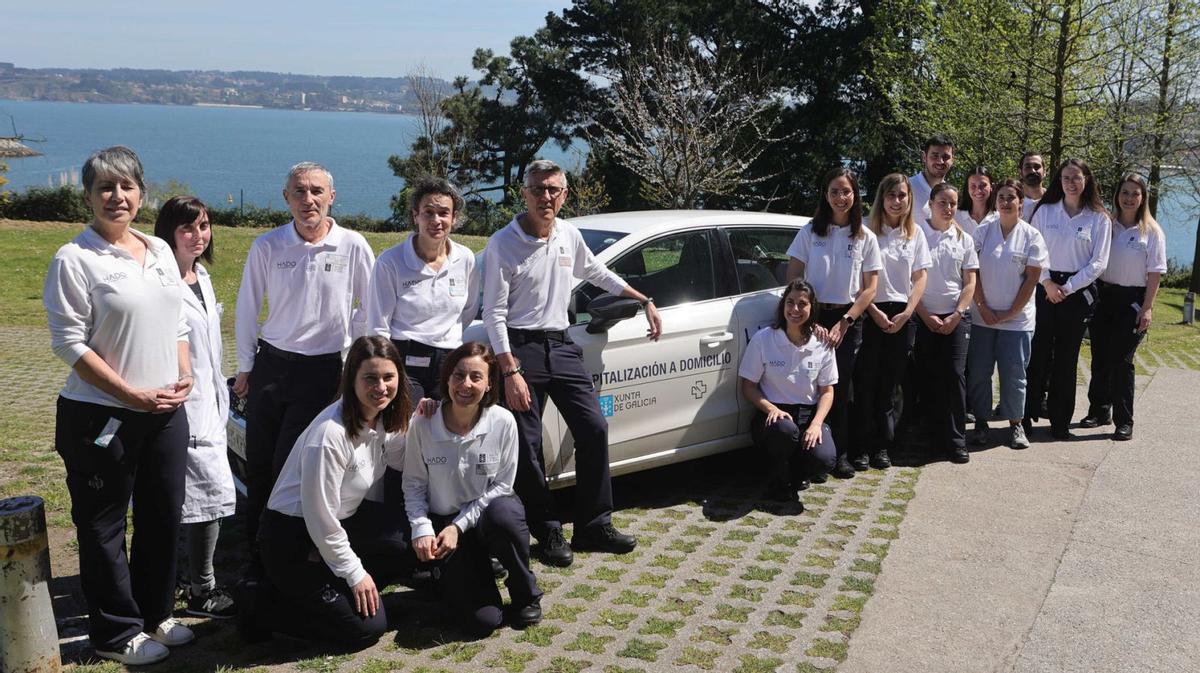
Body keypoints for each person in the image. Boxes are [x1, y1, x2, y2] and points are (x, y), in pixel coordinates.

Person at [44, 146, 195, 665]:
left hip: (165, 413)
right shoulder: (75, 258)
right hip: (100, 415)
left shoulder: (157, 249)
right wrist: (128, 394)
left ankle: (155, 615)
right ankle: (114, 633)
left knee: (162, 517)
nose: (117, 196)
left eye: (126, 186)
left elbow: (178, 324)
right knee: (104, 526)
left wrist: (186, 371)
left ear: (141, 193)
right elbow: (70, 344)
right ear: (87, 196)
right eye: (105, 187)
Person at [482, 159, 661, 568]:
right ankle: (546, 529)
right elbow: (493, 313)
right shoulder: (502, 244)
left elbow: (596, 272)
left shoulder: (568, 233)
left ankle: (594, 525)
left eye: (554, 190)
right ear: (524, 193)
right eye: (538, 189)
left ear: (564, 195)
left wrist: (643, 299)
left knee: (594, 427)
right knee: (527, 445)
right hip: (521, 349)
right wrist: (509, 370)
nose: (546, 197)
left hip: (562, 347)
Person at [233, 162, 375, 570]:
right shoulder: (268, 246)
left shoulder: (353, 246)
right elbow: (246, 308)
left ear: (331, 197)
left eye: (316, 191)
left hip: (324, 372)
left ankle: (295, 553)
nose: (308, 199)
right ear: (286, 198)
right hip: (272, 367)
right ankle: (257, 556)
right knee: (259, 465)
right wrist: (246, 366)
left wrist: (352, 363)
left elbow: (368, 309)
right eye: (299, 192)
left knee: (295, 469)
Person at [244, 336, 412, 650]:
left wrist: (423, 422)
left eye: (389, 377)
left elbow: (399, 461)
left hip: (337, 525)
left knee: (403, 539)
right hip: (292, 538)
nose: (381, 386)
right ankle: (264, 608)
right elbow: (320, 518)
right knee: (366, 629)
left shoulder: (380, 418)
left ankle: (334, 587)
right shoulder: (330, 435)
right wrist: (354, 572)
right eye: (370, 378)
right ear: (351, 380)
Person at [403, 342, 543, 636]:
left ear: (490, 382)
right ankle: (462, 576)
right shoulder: (424, 422)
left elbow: (504, 484)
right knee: (484, 621)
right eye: (458, 375)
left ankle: (525, 593)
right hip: (446, 528)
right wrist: (422, 528)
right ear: (447, 378)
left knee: (506, 514)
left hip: (485, 516)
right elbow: (413, 484)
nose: (465, 384)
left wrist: (460, 524)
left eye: (476, 377)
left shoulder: (503, 421)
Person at [153, 196, 237, 619]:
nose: (198, 236)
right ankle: (199, 588)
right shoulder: (160, 282)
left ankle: (187, 581)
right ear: (168, 232)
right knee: (205, 495)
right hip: (181, 403)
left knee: (207, 497)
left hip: (211, 400)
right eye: (188, 228)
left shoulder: (200, 277)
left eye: (203, 226)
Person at [786, 167, 881, 478]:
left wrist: (845, 322)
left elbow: (870, 288)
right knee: (806, 386)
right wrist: (811, 320)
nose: (841, 198)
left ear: (855, 196)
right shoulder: (810, 232)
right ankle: (806, 456)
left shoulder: (865, 236)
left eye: (846, 191)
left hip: (847, 321)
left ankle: (837, 455)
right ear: (825, 196)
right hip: (811, 318)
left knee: (839, 390)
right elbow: (794, 277)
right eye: (834, 192)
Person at [366, 176, 479, 402]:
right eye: (428, 212)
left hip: (449, 361)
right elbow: (378, 324)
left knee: (445, 429)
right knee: (411, 425)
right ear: (416, 215)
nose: (436, 220)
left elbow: (468, 310)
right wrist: (385, 372)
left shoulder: (465, 259)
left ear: (454, 218)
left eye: (444, 213)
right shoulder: (390, 262)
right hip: (404, 361)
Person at [1024, 158, 1112, 440]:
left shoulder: (1099, 217)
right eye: (1065, 178)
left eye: (1076, 177)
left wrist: (1069, 287)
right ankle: (1024, 419)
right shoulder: (1045, 211)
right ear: (1058, 181)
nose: (1071, 183)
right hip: (1044, 287)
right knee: (1035, 355)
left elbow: (1099, 263)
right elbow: (1032, 251)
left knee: (1066, 358)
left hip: (1077, 292)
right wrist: (1048, 282)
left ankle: (1060, 423)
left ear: (1086, 180)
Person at [1080, 174, 1166, 440]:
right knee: (1100, 357)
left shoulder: (1151, 232)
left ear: (1143, 199)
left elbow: (1155, 274)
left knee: (1122, 361)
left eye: (1135, 194)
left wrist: (1147, 308)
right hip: (1104, 298)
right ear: (1117, 195)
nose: (1129, 198)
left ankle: (1123, 420)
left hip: (1132, 301)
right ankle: (1099, 410)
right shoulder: (1107, 224)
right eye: (1125, 193)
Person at [853, 173, 930, 470]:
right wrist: (873, 311)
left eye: (902, 195)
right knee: (865, 383)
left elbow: (920, 276)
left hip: (902, 315)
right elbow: (859, 279)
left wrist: (908, 313)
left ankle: (882, 448)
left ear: (910, 199)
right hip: (871, 312)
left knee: (889, 385)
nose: (897, 201)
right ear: (881, 199)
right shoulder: (865, 232)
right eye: (891, 195)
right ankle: (860, 448)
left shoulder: (915, 234)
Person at [738, 280, 838, 500]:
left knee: (826, 460)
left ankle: (800, 471)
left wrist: (817, 424)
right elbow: (748, 387)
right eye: (790, 303)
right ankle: (777, 475)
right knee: (785, 431)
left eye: (802, 304)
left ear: (812, 308)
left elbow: (827, 391)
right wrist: (770, 408)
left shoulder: (822, 344)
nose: (795, 309)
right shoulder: (764, 339)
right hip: (774, 417)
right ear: (782, 305)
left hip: (808, 414)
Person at [967, 179, 1047, 450]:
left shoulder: (1031, 236)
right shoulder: (984, 230)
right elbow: (971, 270)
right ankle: (980, 422)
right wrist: (983, 307)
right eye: (1001, 197)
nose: (1005, 202)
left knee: (1014, 374)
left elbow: (1032, 279)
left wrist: (1010, 312)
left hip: (1018, 321)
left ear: (1021, 201)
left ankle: (1016, 425)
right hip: (983, 318)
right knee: (979, 372)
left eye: (1011, 197)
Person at [917, 183, 979, 463]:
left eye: (953, 203)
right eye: (942, 202)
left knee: (954, 376)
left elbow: (970, 282)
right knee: (928, 378)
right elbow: (910, 280)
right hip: (923, 317)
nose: (948, 208)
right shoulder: (917, 236)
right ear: (930, 203)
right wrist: (924, 314)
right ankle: (931, 439)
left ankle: (956, 441)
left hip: (957, 318)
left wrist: (957, 314)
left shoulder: (964, 239)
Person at [909, 134, 956, 223]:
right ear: (924, 157)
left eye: (945, 157)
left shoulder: (951, 195)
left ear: (952, 160)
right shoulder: (907, 188)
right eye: (935, 155)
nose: (940, 161)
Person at [955, 166, 995, 237]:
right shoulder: (955, 217)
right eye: (973, 186)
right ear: (967, 189)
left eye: (983, 185)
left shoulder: (999, 218)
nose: (978, 190)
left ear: (991, 187)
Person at [1019, 152, 1047, 221]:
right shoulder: (1013, 202)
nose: (1032, 171)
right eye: (1028, 167)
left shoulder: (1054, 200)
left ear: (1044, 172)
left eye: (1037, 167)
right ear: (1020, 173)